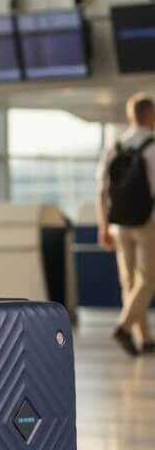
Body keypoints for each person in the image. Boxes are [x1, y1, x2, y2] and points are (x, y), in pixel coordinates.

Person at [96, 92, 155, 357]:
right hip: (147, 223)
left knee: (129, 281)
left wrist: (103, 225)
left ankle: (144, 337)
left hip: (118, 223)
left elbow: (101, 190)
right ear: (151, 115)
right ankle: (124, 327)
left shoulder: (115, 146)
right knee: (148, 279)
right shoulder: (152, 146)